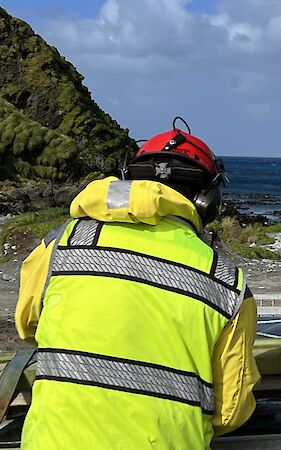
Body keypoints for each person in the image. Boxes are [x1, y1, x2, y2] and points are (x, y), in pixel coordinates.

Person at [15, 118, 261, 449]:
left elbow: (27, 325)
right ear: (208, 201)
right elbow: (230, 412)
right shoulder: (229, 287)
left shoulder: (61, 244)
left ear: (127, 179)